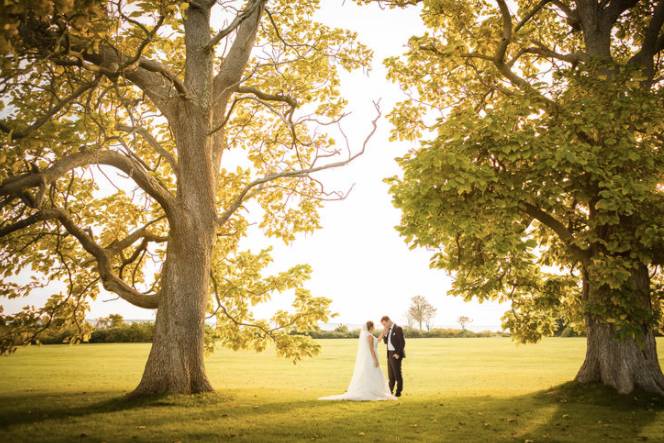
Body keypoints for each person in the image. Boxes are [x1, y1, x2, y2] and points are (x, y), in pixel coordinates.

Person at [319, 321, 396, 401]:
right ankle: (370, 391)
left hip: (370, 358)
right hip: (371, 358)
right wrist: (375, 360)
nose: (375, 327)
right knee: (371, 374)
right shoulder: (369, 336)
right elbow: (371, 349)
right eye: (374, 326)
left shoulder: (369, 335)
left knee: (372, 374)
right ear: (371, 327)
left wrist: (384, 331)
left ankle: (373, 390)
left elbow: (378, 340)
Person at [380, 315, 405, 397]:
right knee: (391, 375)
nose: (384, 326)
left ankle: (399, 391)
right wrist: (386, 334)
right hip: (389, 354)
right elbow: (385, 342)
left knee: (397, 374)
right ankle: (390, 391)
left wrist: (398, 353)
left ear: (388, 321)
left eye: (384, 324)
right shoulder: (388, 330)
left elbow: (402, 343)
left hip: (396, 354)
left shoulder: (398, 328)